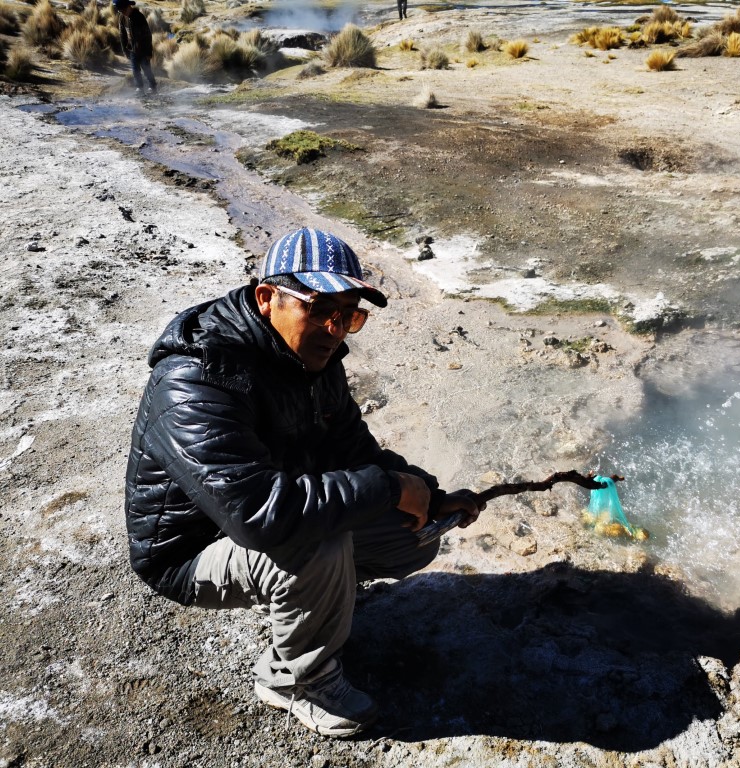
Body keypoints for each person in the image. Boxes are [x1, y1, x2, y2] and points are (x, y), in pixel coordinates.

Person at [124, 227, 482, 737]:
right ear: (266, 298)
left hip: (263, 516)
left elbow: (354, 450)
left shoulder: (316, 360)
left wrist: (429, 494)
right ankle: (295, 681)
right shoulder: (196, 377)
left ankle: (316, 603)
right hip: (190, 548)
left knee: (411, 533)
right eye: (319, 309)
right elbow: (258, 514)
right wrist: (387, 488)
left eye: (349, 315)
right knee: (318, 540)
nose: (335, 330)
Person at [113, 0, 157, 96]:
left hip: (143, 49)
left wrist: (149, 52)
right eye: (120, 11)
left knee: (146, 69)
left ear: (129, 7)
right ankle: (139, 88)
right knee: (135, 70)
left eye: (124, 10)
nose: (122, 12)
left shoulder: (139, 17)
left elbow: (148, 35)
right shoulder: (122, 17)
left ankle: (152, 86)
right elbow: (122, 35)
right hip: (132, 50)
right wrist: (125, 51)